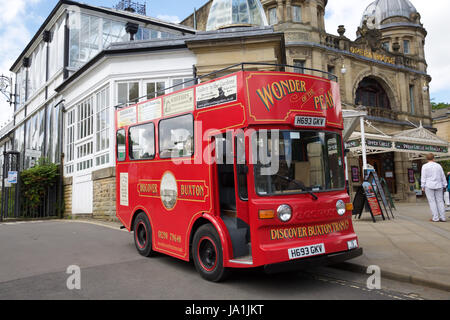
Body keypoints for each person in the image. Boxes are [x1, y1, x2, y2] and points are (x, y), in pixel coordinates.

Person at [421, 154, 448, 222]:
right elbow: (442, 176)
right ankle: (443, 217)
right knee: (440, 201)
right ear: (433, 158)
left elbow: (423, 177)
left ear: (427, 159)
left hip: (429, 185)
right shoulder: (438, 166)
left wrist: (422, 186)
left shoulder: (424, 166)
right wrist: (445, 184)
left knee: (432, 201)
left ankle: (435, 217)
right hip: (439, 185)